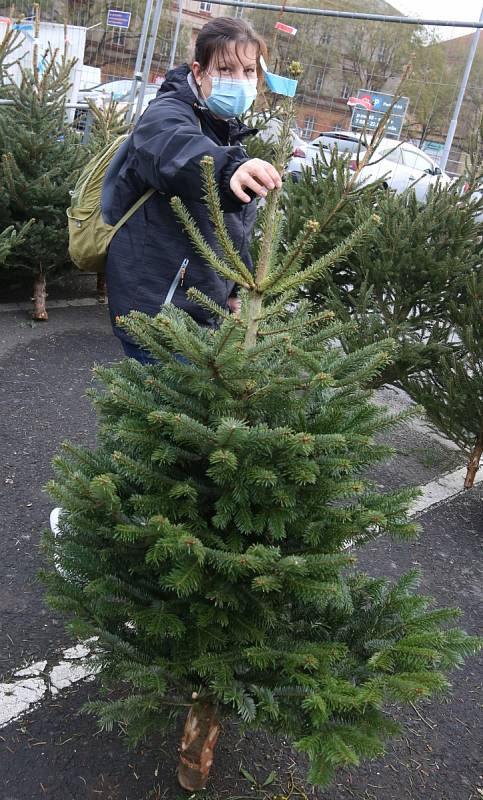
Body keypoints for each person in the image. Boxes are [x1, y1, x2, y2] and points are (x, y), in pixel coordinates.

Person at [104, 16, 282, 364]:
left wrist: (233, 287)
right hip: (156, 306)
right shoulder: (167, 114)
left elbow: (230, 227)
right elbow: (177, 151)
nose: (239, 81)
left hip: (196, 304)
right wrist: (229, 168)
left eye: (248, 71)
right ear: (199, 72)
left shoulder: (226, 129)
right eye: (226, 69)